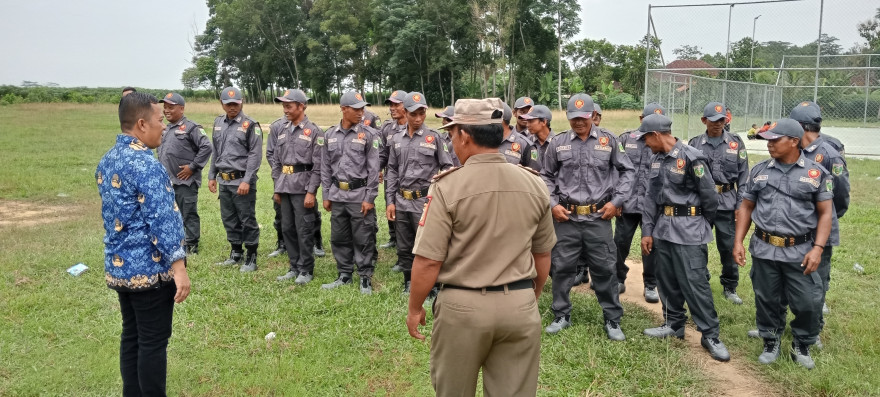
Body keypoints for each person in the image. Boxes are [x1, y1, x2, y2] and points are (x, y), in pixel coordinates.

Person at [405, 98, 555, 397]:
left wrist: (414, 307)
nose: (451, 142)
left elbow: (428, 261)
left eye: (452, 134)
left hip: (463, 309)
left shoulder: (448, 186)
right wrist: (530, 296)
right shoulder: (535, 184)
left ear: (465, 135)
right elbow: (542, 254)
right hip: (519, 305)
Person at [97, 92, 191, 396]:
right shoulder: (146, 165)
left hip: (121, 269)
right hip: (150, 272)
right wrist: (179, 267)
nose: (163, 127)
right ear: (141, 124)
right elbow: (162, 219)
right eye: (159, 121)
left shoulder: (108, 159)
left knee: (133, 336)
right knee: (152, 341)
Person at [733, 118, 833, 369]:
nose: (770, 145)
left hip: (800, 250)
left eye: (776, 140)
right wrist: (738, 241)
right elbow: (746, 207)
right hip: (765, 248)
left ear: (794, 142)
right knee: (767, 298)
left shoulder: (815, 173)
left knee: (808, 301)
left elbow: (825, 214)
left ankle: (802, 343)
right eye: (768, 140)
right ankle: (770, 339)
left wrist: (818, 248)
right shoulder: (759, 171)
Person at [636, 113, 730, 362]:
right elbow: (650, 198)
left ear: (656, 135)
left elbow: (710, 198)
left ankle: (710, 334)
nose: (645, 143)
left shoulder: (692, 158)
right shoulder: (656, 159)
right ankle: (673, 323)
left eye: (646, 138)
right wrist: (647, 231)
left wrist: (700, 224)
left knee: (694, 282)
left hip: (690, 230)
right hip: (663, 229)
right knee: (667, 280)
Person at [541, 93, 634, 340]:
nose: (578, 122)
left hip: (598, 218)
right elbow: (546, 176)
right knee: (561, 268)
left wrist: (617, 202)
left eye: (583, 118)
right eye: (573, 118)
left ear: (593, 115)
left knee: (605, 268)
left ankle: (612, 319)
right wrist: (552, 205)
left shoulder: (609, 140)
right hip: (566, 219)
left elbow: (627, 172)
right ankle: (561, 314)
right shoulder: (557, 143)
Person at [386, 91, 454, 294]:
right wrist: (390, 201)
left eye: (422, 113)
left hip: (425, 200)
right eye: (414, 114)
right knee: (404, 245)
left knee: (427, 247)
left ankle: (432, 285)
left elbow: (447, 167)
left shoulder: (434, 138)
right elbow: (391, 170)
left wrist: (438, 198)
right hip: (402, 200)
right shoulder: (396, 139)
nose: (418, 118)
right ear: (405, 113)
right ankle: (409, 281)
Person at [688, 102, 749, 305]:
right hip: (702, 203)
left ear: (726, 120)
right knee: (698, 244)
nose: (717, 124)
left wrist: (740, 206)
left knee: (728, 245)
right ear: (704, 121)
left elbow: (744, 177)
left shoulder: (736, 143)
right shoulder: (695, 144)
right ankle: (701, 280)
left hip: (727, 203)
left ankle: (730, 286)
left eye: (721, 120)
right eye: (713, 120)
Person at [320, 91, 380, 294]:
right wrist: (326, 194)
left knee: (363, 237)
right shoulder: (330, 135)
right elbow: (325, 167)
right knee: (339, 237)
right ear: (343, 109)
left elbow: (374, 170)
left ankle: (365, 277)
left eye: (362, 108)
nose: (361, 112)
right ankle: (344, 274)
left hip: (359, 195)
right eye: (356, 109)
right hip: (338, 195)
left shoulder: (369, 135)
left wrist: (369, 197)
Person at [268, 89, 324, 284]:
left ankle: (306, 269)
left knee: (304, 229)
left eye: (289, 106)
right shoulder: (282, 130)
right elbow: (276, 162)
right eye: (284, 106)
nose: (285, 110)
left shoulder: (314, 131)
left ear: (301, 106)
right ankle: (294, 266)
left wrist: (311, 192)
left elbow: (318, 166)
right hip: (284, 186)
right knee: (288, 228)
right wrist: (277, 187)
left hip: (302, 187)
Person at [613, 103, 665, 303]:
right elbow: (615, 170)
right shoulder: (626, 139)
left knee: (651, 245)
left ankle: (650, 284)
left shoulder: (663, 144)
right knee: (620, 242)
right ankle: (618, 278)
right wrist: (616, 200)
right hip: (626, 203)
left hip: (652, 206)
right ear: (641, 119)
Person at [209, 87, 263, 272]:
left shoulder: (250, 125)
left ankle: (251, 256)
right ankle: (236, 252)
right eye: (228, 104)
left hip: (241, 180)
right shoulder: (218, 122)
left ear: (242, 103)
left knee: (247, 218)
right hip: (224, 180)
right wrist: (211, 175)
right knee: (229, 218)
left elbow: (255, 155)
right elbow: (215, 151)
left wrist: (247, 180)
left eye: (236, 104)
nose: (232, 107)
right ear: (222, 104)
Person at [157, 92, 212, 255]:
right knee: (172, 214)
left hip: (185, 181)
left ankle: (192, 245)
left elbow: (207, 147)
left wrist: (193, 167)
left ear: (181, 109)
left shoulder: (191, 127)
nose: (167, 110)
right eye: (165, 107)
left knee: (188, 213)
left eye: (171, 107)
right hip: (168, 181)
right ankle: (177, 241)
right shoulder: (165, 128)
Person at [379, 90, 409, 254]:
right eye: (390, 104)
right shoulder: (387, 128)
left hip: (408, 177)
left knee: (405, 210)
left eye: (396, 104)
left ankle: (404, 243)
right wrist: (377, 168)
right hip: (391, 176)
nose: (392, 108)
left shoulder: (413, 126)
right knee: (390, 203)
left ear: (406, 106)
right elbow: (383, 153)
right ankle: (393, 237)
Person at [499, 102, 541, 170]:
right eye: (522, 112)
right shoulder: (482, 141)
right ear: (514, 113)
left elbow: (536, 172)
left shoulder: (528, 146)